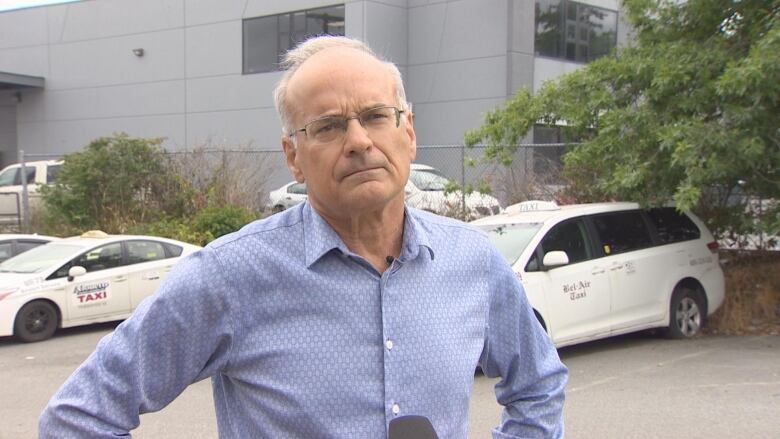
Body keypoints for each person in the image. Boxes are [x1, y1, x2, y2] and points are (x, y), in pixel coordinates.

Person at [39, 35, 567, 438]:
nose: (359, 141)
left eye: (375, 117)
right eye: (329, 126)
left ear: (408, 131)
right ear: (293, 155)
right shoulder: (230, 275)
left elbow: (539, 384)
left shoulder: (471, 260)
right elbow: (78, 417)